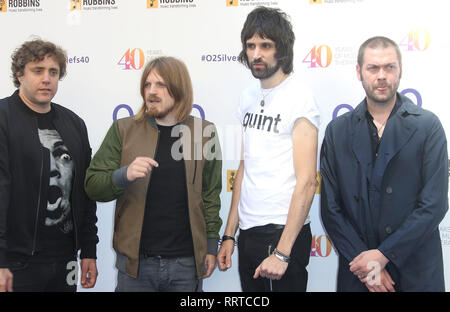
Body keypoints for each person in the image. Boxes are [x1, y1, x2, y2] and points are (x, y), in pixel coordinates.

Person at [320, 36, 448, 292]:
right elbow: (331, 209)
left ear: (400, 71)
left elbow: (434, 204)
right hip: (359, 272)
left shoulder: (428, 126)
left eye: (389, 67)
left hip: (416, 270)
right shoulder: (338, 131)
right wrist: (369, 267)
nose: (381, 75)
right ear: (359, 72)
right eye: (373, 68)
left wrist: (383, 255)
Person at [84, 56, 222, 292]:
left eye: (160, 85)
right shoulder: (123, 130)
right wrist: (123, 175)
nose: (151, 92)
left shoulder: (204, 132)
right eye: (147, 85)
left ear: (179, 88)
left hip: (186, 265)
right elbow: (92, 184)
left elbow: (210, 195)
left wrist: (210, 246)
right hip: (136, 267)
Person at [217, 6, 320, 292]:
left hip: (283, 234)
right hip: (248, 233)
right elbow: (244, 168)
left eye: (265, 45)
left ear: (282, 49)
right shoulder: (247, 96)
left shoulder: (300, 98)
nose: (256, 54)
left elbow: (308, 181)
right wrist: (229, 235)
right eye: (250, 46)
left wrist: (283, 252)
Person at [0, 39, 99, 292]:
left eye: (53, 72)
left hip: (65, 259)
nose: (47, 79)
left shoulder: (74, 124)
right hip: (16, 262)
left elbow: (85, 193)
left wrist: (89, 250)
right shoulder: (3, 118)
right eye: (38, 70)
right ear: (19, 74)